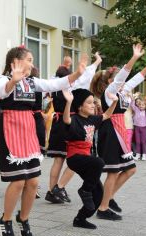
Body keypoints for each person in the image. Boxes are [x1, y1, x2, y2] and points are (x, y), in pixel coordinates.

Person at [0, 45, 87, 236]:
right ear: (15, 62)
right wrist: (13, 80)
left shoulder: (32, 82)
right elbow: (2, 92)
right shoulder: (3, 79)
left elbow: (54, 84)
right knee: (18, 180)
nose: (32, 63)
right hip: (11, 129)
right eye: (29, 59)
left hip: (27, 130)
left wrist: (77, 73)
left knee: (34, 181)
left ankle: (24, 218)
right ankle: (6, 219)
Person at [91, 43, 146, 220]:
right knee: (114, 171)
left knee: (130, 170)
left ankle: (107, 197)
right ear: (110, 81)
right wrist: (134, 57)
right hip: (110, 131)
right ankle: (103, 208)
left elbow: (137, 77)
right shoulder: (110, 91)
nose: (122, 82)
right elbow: (125, 74)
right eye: (117, 79)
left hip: (119, 130)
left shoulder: (122, 92)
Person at [46, 52, 102, 204]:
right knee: (76, 159)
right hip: (70, 123)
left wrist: (67, 65)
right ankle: (58, 188)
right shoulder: (73, 85)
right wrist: (95, 62)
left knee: (58, 159)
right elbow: (86, 75)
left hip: (57, 122)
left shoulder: (53, 84)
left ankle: (52, 191)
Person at [63, 88, 118, 229]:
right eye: (89, 103)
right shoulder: (75, 119)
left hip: (87, 159)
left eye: (93, 102)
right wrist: (69, 102)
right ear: (80, 106)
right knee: (99, 162)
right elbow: (66, 119)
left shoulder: (93, 119)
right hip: (75, 157)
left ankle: (80, 219)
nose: (93, 105)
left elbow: (106, 115)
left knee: (98, 195)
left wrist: (115, 102)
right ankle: (84, 190)